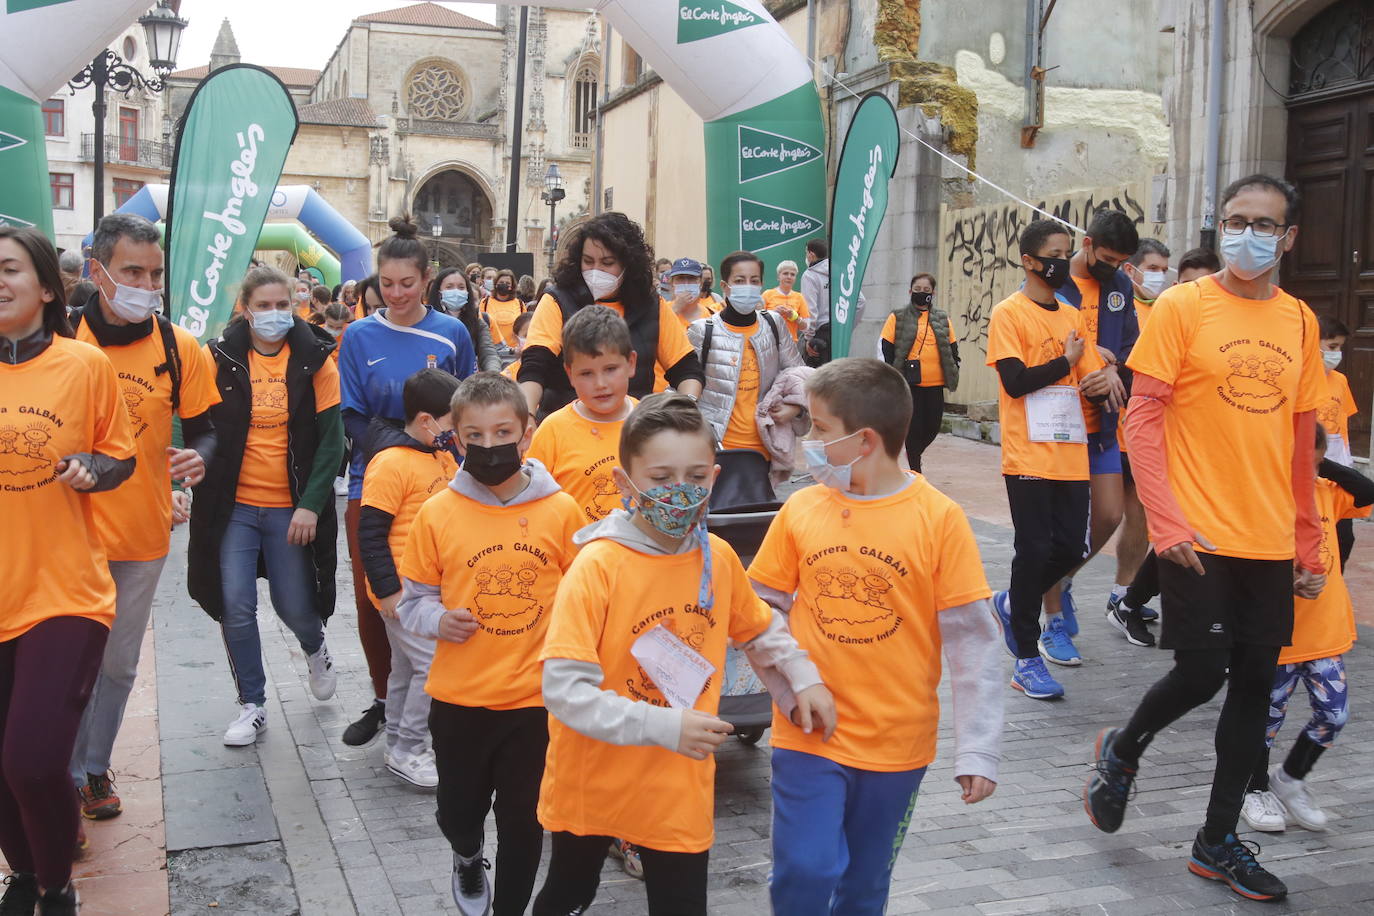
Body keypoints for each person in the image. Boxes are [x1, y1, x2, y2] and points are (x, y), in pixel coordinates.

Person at [1085, 175, 1327, 902]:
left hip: (1268, 540)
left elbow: (1299, 441)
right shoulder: (1184, 307)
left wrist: (1309, 542)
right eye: (1233, 219)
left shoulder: (1302, 323)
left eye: (1263, 224)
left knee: (1255, 688)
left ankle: (1217, 840)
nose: (1245, 234)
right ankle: (1122, 752)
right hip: (1196, 533)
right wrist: (1165, 521)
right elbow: (1143, 420)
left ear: (1287, 239)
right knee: (1201, 674)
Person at [531, 393, 830, 916]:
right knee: (568, 894)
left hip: (678, 782)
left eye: (695, 477)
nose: (680, 492)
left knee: (682, 904)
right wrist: (666, 728)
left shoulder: (717, 557)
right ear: (626, 484)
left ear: (714, 476)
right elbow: (564, 691)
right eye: (660, 477)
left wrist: (803, 678)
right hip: (592, 778)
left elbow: (761, 630)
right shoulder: (597, 567)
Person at [750, 358, 1002, 914]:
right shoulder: (801, 509)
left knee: (864, 887)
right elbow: (761, 611)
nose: (809, 440)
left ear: (863, 440)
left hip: (897, 745)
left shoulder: (940, 519)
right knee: (805, 870)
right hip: (809, 734)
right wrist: (793, 683)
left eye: (819, 428)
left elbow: (973, 642)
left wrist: (978, 748)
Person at [396, 371, 582, 915]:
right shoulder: (437, 514)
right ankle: (467, 853)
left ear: (526, 434)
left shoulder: (562, 511)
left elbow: (582, 597)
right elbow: (413, 603)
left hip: (534, 701)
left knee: (525, 821)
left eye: (502, 432)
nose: (488, 446)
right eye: (473, 436)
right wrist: (437, 620)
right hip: (460, 698)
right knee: (457, 811)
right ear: (454, 437)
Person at [67, 213, 222, 822]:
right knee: (66, 658)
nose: (146, 283)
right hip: (65, 536)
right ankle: (58, 770)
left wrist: (197, 459)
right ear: (97, 270)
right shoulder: (62, 341)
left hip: (141, 535)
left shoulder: (180, 349)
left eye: (155, 273)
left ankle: (91, 768)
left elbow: (207, 432)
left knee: (117, 663)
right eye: (132, 271)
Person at [0, 226, 136, 916]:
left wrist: (93, 470)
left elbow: (122, 456)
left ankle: (56, 886)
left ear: (47, 287)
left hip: (64, 592)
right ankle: (23, 877)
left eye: (9, 269)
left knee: (31, 760)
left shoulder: (84, 367)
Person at [188, 266, 346, 746]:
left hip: (289, 508)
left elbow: (331, 442)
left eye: (283, 305)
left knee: (294, 606)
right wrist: (182, 471)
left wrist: (311, 506)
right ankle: (252, 704)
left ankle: (314, 646)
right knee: (235, 605)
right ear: (245, 309)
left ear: (295, 306)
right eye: (264, 306)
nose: (274, 315)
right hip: (233, 506)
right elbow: (190, 420)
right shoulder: (217, 358)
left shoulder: (316, 360)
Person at [337, 216, 477, 748]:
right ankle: (383, 699)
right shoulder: (359, 335)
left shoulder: (452, 332)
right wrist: (403, 448)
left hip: (443, 484)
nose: (396, 294)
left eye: (407, 283)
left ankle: (441, 697)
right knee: (380, 596)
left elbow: (465, 407)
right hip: (376, 477)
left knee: (440, 591)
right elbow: (350, 415)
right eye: (387, 283)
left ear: (428, 279)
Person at [987, 218, 1111, 700]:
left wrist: (1101, 385)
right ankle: (1026, 655)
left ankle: (1012, 602)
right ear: (1030, 261)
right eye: (1054, 254)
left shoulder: (1071, 315)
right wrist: (1065, 361)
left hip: (1070, 452)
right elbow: (1015, 382)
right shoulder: (1009, 314)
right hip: (1027, 454)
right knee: (1035, 549)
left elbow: (1091, 378)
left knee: (1071, 550)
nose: (1062, 262)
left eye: (1066, 253)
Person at [1240, 425, 1370, 834]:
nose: (1309, 469)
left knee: (1334, 715)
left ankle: (1290, 779)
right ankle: (1253, 789)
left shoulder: (1325, 491)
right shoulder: (1260, 498)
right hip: (1275, 639)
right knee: (1262, 725)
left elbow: (1367, 490)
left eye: (1315, 460)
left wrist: (1316, 460)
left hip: (1325, 634)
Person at [1109, 246, 1223, 635]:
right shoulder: (1135, 312)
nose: (1156, 275)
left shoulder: (1217, 324)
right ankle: (1121, 595)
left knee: (1170, 525)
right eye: (1150, 269)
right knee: (1131, 521)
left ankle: (1129, 599)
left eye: (1162, 267)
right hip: (1132, 438)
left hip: (1192, 447)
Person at [1040, 210, 1137, 659]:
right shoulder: (1057, 282)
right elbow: (1040, 343)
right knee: (1058, 529)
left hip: (1102, 424)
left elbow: (1131, 346)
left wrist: (1112, 367)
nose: (1114, 267)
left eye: (1121, 261)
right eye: (1109, 257)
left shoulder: (1119, 288)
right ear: (1089, 242)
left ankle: (1061, 578)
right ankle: (1052, 623)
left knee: (1110, 515)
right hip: (1056, 423)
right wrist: (1090, 360)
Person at [358, 368, 461, 789]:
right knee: (432, 667)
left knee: (405, 669)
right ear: (426, 421)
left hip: (427, 590)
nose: (455, 433)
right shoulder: (390, 464)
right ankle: (411, 748)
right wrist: (388, 591)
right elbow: (370, 532)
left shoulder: (440, 456)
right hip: (404, 592)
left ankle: (399, 740)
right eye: (452, 424)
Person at [517, 212, 704, 419]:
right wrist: (527, 416)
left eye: (607, 263)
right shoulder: (557, 301)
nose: (596, 271)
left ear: (628, 264)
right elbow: (535, 365)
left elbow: (686, 369)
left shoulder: (652, 306)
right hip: (565, 430)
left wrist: (689, 411)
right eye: (588, 261)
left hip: (632, 432)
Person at [687, 251, 804, 460]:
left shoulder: (773, 324)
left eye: (754, 280)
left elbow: (798, 374)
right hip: (715, 448)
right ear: (725, 286)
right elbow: (684, 383)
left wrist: (795, 407)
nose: (748, 286)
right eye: (739, 281)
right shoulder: (701, 330)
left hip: (766, 446)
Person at [528, 306, 637, 524]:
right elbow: (531, 504)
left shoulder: (652, 423)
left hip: (641, 554)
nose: (600, 384)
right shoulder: (552, 431)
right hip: (575, 555)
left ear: (631, 364)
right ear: (570, 374)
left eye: (610, 369)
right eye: (586, 373)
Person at [880, 272, 960, 472]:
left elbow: (952, 346)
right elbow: (886, 346)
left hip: (935, 384)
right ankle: (916, 469)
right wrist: (893, 376)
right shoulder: (897, 316)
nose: (921, 293)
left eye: (926, 290)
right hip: (910, 384)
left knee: (932, 428)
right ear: (910, 291)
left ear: (933, 293)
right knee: (914, 429)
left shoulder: (942, 317)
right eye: (917, 290)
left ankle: (913, 452)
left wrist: (955, 367)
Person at [1315, 315, 1358, 566]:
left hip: (1339, 472)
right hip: (1313, 472)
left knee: (1344, 537)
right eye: (1332, 347)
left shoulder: (1340, 381)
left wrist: (1346, 466)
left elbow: (1343, 427)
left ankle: (1335, 583)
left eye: (1340, 347)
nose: (1336, 354)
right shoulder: (1297, 380)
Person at [799, 239, 865, 367]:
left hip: (820, 335)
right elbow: (860, 302)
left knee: (818, 380)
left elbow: (811, 311)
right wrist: (846, 328)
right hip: (839, 331)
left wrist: (808, 338)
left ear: (811, 255)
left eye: (806, 252)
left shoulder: (809, 275)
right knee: (837, 375)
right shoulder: (841, 272)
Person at [428, 266, 501, 371]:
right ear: (439, 292)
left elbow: (489, 353)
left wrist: (493, 373)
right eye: (449, 287)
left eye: (461, 287)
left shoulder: (477, 323)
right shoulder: (428, 321)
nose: (456, 292)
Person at [762, 259, 809, 341]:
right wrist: (773, 313)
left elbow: (805, 327)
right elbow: (757, 321)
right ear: (778, 277)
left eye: (792, 274)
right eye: (785, 273)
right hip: (770, 343)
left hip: (791, 345)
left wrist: (795, 317)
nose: (789, 277)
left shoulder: (799, 297)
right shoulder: (767, 294)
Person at [665, 259, 715, 326]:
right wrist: (675, 309)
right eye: (680, 278)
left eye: (691, 278)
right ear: (672, 283)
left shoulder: (712, 315)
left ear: (700, 283)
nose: (686, 284)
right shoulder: (661, 310)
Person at [483, 269, 523, 348]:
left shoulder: (519, 304)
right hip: (492, 349)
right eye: (501, 282)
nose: (504, 285)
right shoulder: (485, 302)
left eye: (507, 283)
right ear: (496, 284)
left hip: (513, 349)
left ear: (512, 286)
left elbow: (523, 327)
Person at [502, 312, 534, 381]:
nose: (533, 340)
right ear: (515, 337)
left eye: (538, 335)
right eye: (526, 335)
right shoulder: (506, 376)